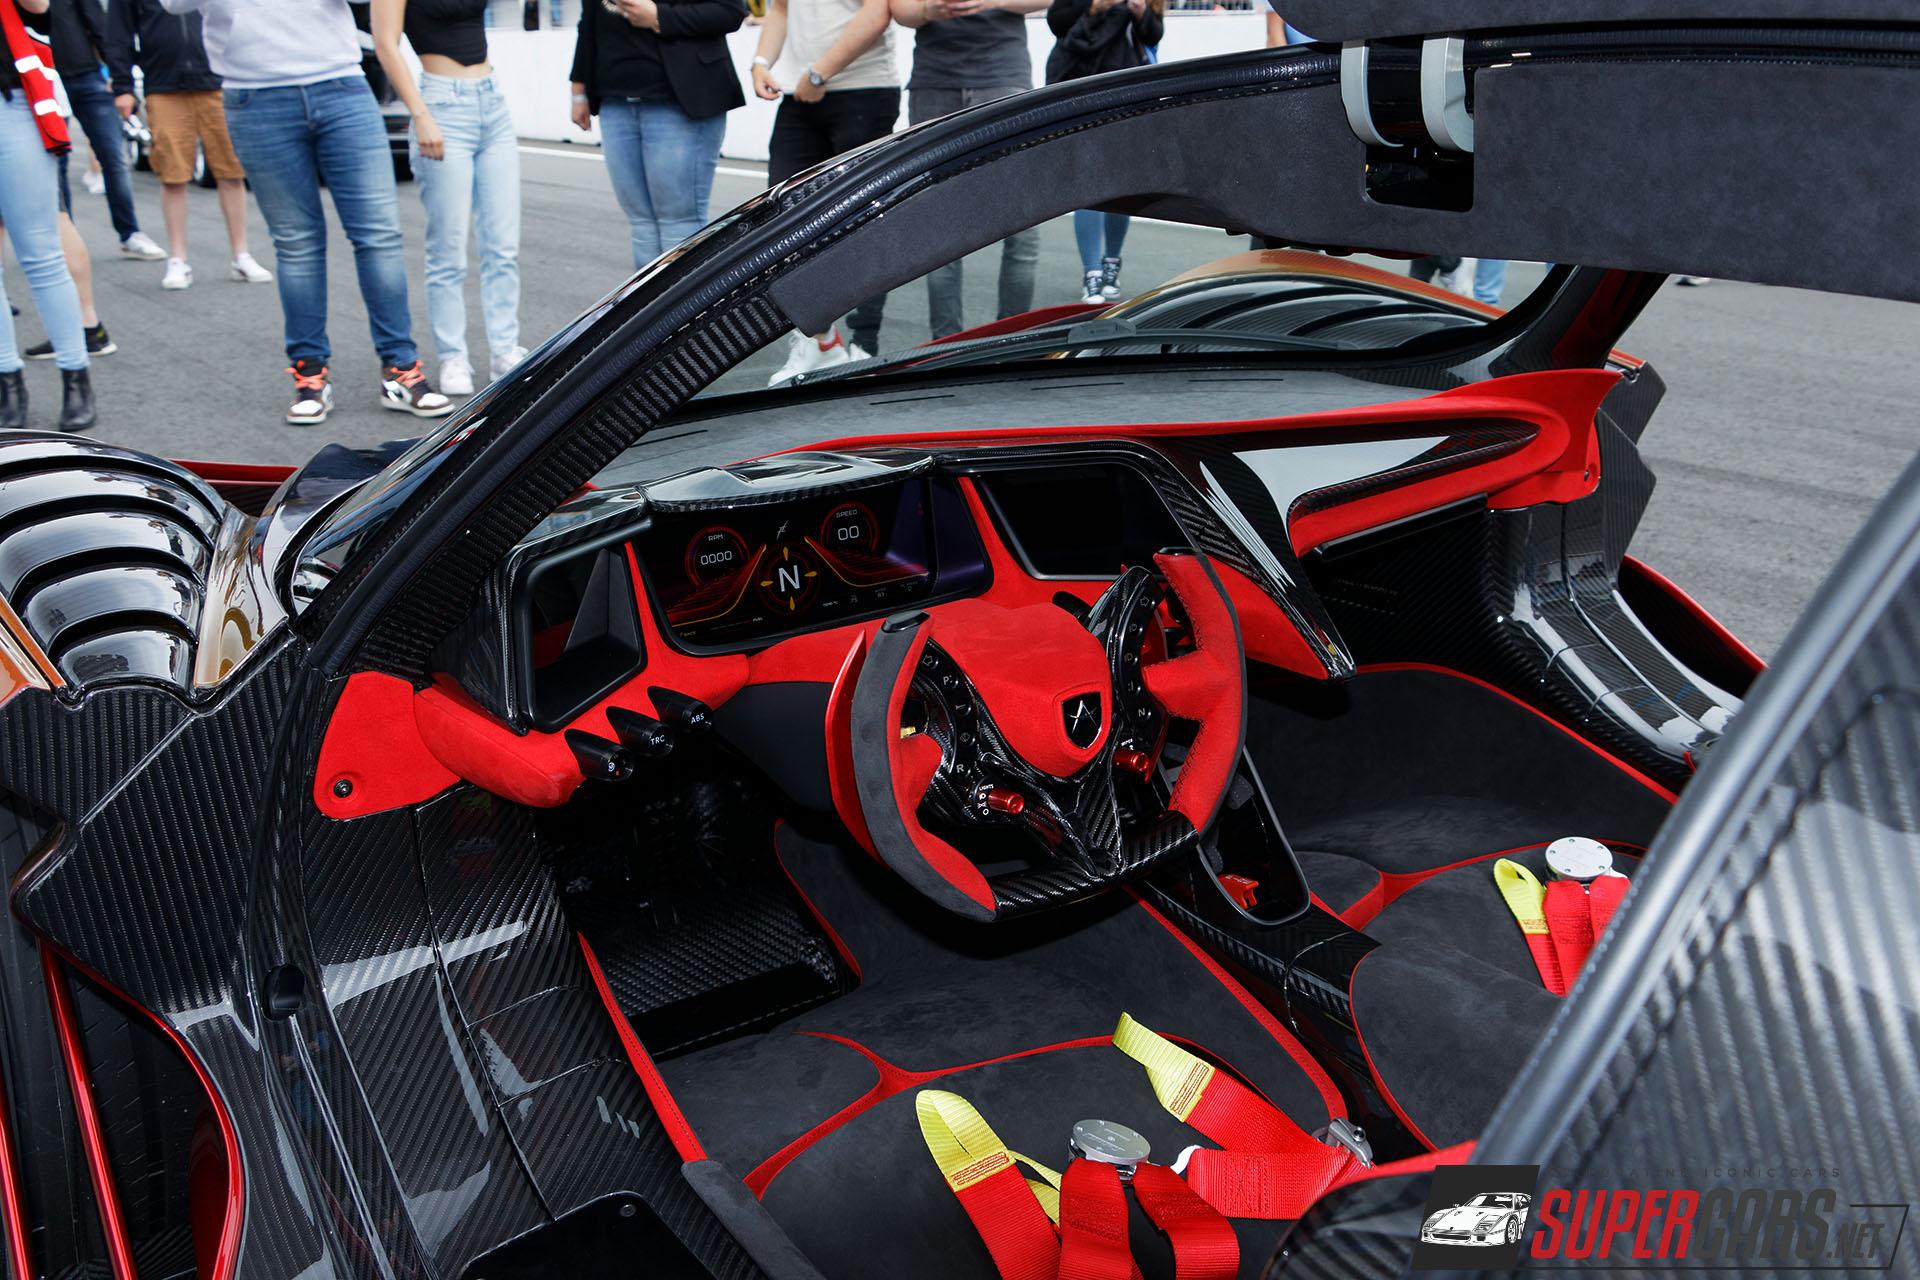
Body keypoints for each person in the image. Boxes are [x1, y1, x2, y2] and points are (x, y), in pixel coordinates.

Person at [159, 0, 453, 427]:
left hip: (340, 86)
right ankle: (310, 374)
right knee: (297, 245)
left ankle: (400, 369)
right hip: (254, 97)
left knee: (379, 237)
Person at [373, 0, 526, 398]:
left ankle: (505, 350)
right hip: (441, 105)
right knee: (448, 249)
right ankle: (453, 356)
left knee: (503, 246)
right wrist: (421, 115)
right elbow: (386, 44)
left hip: (492, 101)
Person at [751, 0, 896, 382]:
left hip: (864, 89)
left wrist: (819, 73)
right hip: (799, 94)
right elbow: (780, 10)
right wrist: (761, 62)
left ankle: (864, 345)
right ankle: (820, 340)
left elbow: (878, 11)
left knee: (864, 224)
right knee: (785, 220)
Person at [889, 0, 1046, 340]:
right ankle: (946, 346)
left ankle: (1011, 343)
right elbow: (900, 10)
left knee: (1023, 221)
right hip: (936, 84)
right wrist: (929, 10)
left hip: (1002, 79)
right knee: (939, 226)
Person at [106, 0, 274, 292]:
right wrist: (122, 86)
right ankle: (178, 259)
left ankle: (241, 255)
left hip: (220, 81)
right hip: (164, 85)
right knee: (172, 175)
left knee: (232, 172)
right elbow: (118, 34)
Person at [570, 0, 747, 273]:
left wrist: (658, 17)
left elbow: (730, 12)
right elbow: (589, 22)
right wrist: (578, 91)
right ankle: (652, 301)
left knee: (679, 221)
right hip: (615, 101)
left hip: (679, 100)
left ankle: (687, 301)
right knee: (641, 223)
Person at [0, 0, 96, 430]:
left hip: (13, 104)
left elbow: (37, 5)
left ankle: (76, 376)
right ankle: (7, 381)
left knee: (41, 254)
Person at [1045, 0, 1160, 304]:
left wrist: (1141, 13)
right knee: (1087, 185)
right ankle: (1092, 272)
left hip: (1126, 95)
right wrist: (1094, 6)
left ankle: (1111, 264)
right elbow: (1056, 21)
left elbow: (1153, 34)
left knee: (1123, 187)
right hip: (1079, 93)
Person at [45, 0, 167, 262]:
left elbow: (99, 25)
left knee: (114, 157)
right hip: (43, 79)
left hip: (86, 75)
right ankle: (67, 240)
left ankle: (130, 233)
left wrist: (116, 75)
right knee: (57, 162)